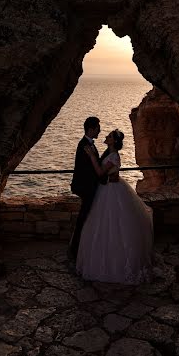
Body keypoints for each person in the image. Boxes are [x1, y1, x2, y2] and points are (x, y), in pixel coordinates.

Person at [76, 129, 154, 284]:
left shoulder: (113, 156)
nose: (106, 136)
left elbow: (99, 172)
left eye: (110, 136)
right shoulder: (109, 154)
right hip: (107, 189)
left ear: (114, 141)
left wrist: (91, 156)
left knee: (114, 224)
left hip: (111, 191)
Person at [69, 116, 103, 260]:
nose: (100, 131)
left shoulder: (89, 144)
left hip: (89, 186)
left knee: (86, 216)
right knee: (83, 217)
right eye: (98, 128)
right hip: (86, 187)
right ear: (91, 129)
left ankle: (81, 246)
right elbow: (86, 170)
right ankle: (75, 249)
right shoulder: (84, 145)